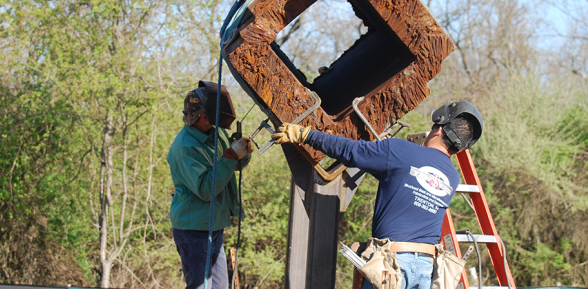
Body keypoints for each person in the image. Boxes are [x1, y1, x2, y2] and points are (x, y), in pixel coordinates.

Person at [272, 101, 483, 289]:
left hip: (393, 266)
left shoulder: (401, 150)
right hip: (426, 270)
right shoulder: (451, 177)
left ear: (438, 130)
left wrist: (306, 135)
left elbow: (351, 151)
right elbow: (396, 176)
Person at [167, 81, 253, 289]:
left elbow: (230, 167)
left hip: (214, 227)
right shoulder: (184, 148)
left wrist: (241, 153)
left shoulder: (215, 133)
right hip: (193, 231)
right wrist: (230, 156)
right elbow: (207, 189)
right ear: (204, 117)